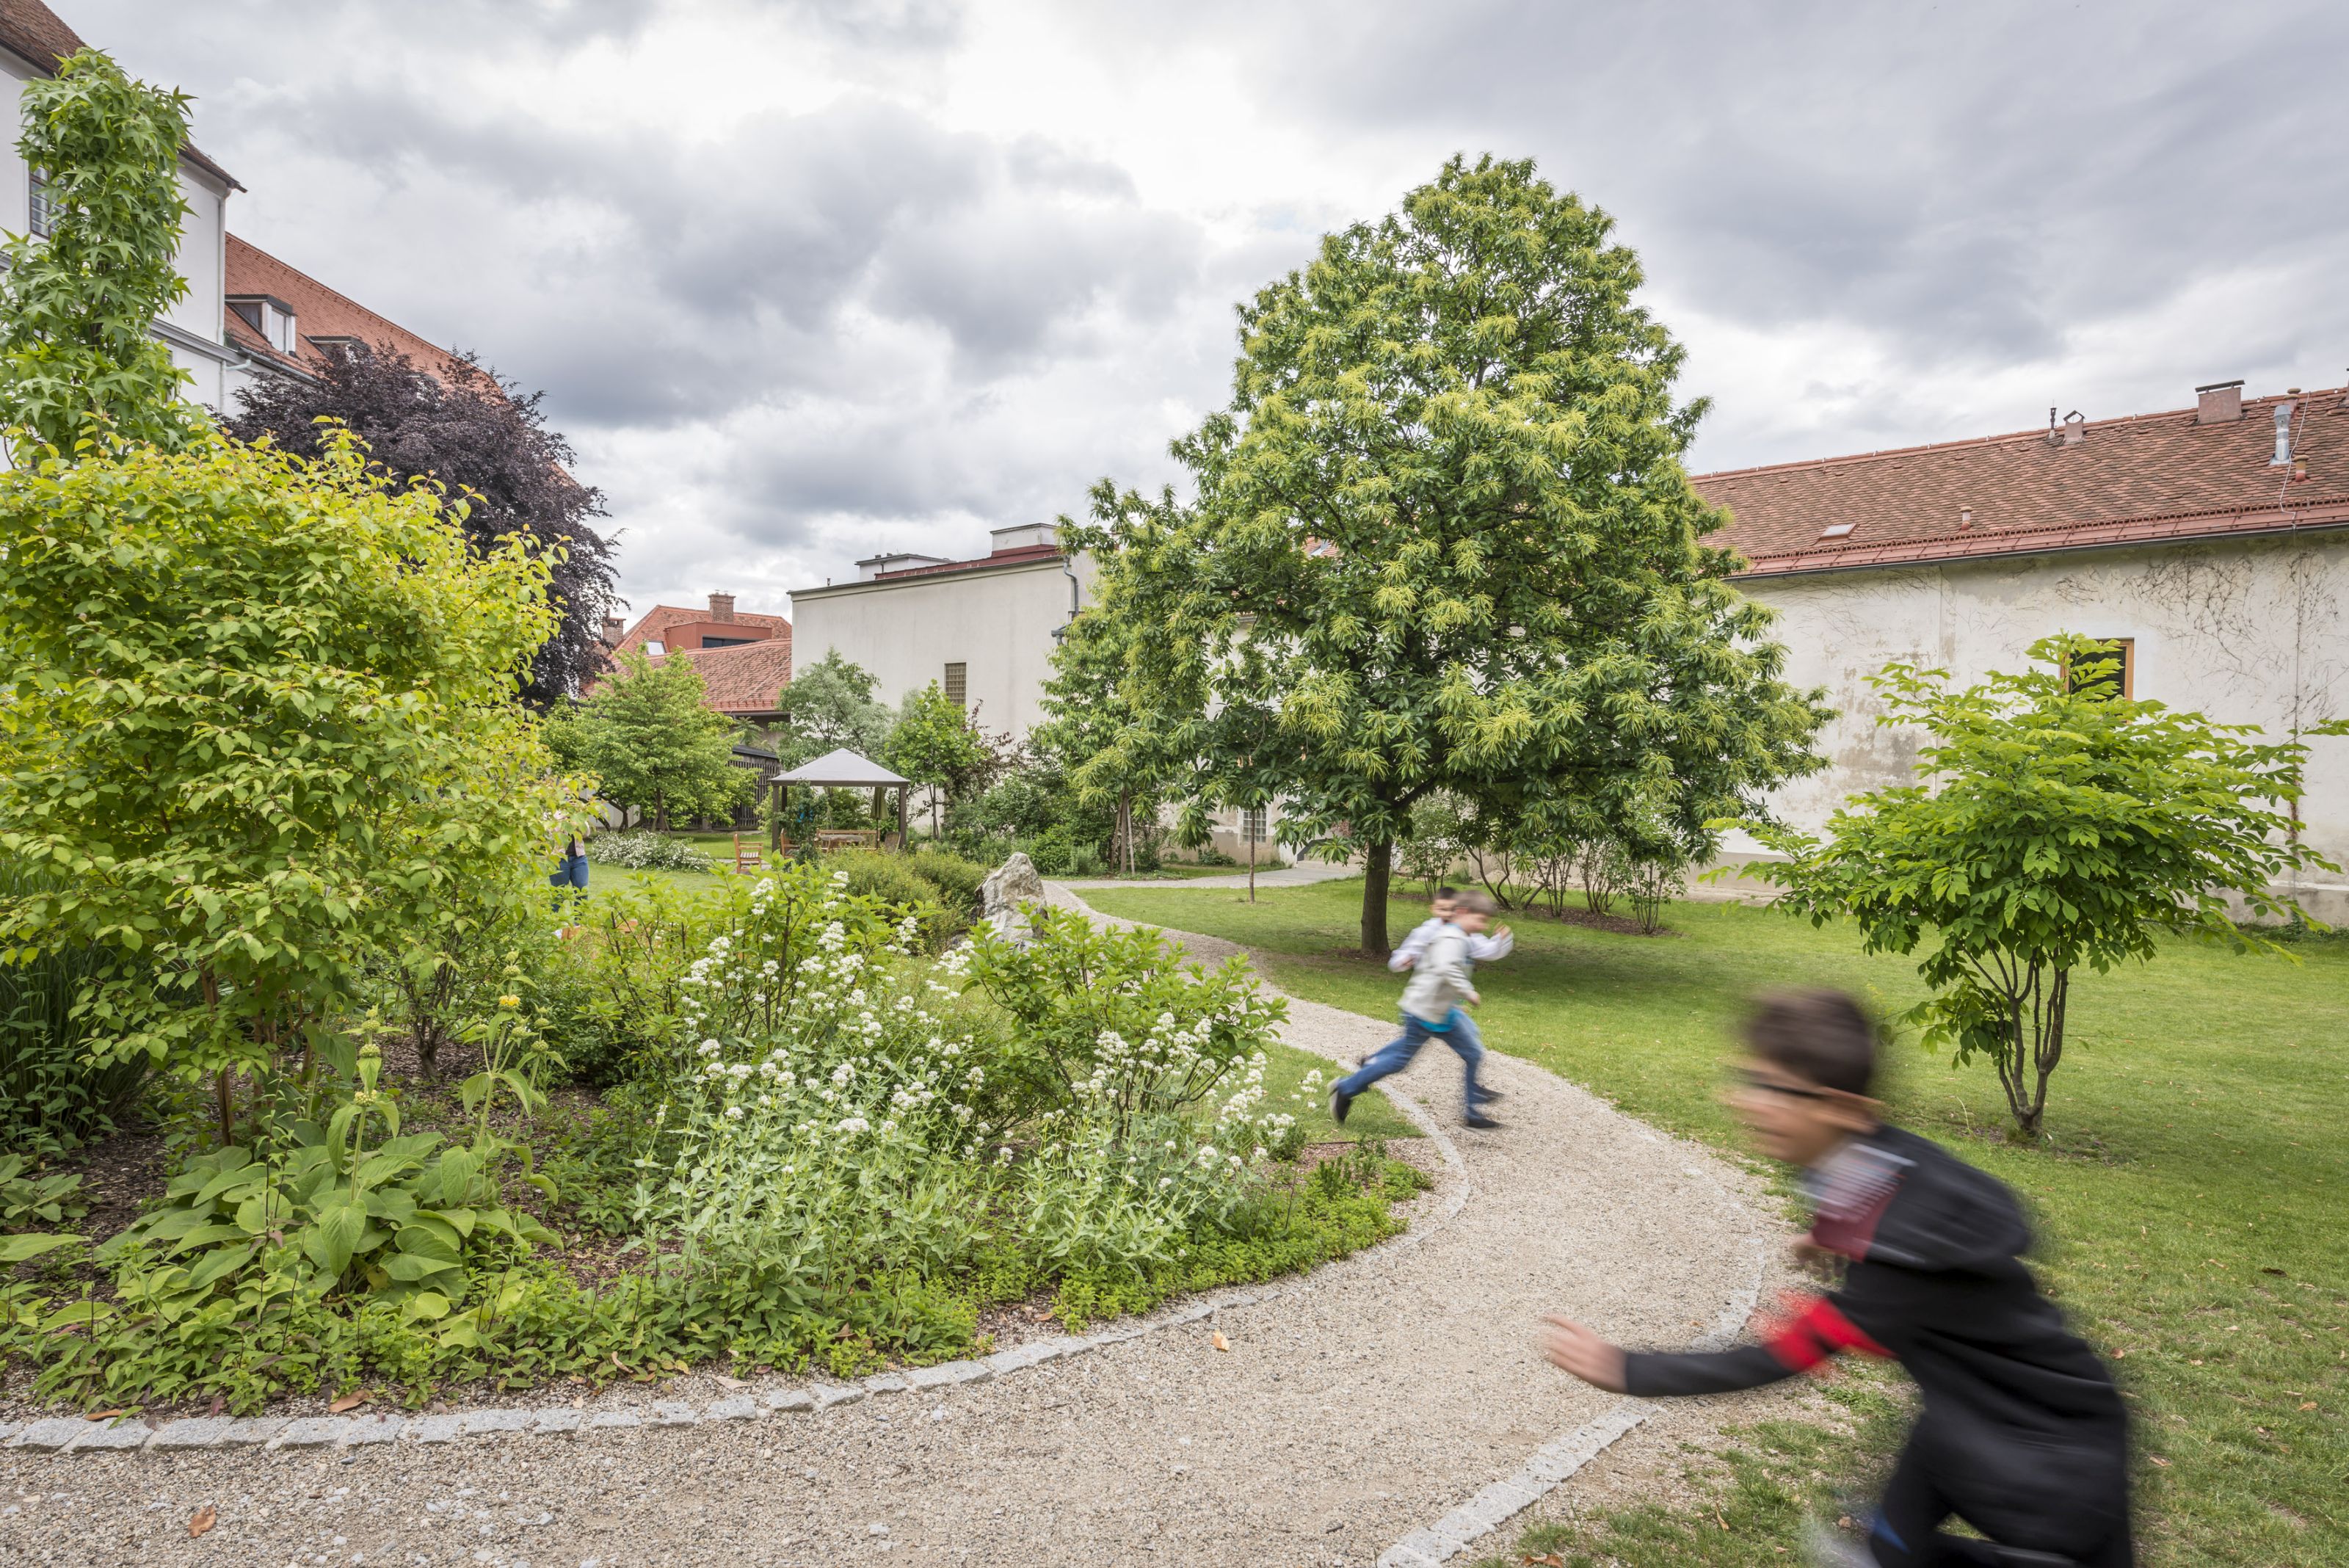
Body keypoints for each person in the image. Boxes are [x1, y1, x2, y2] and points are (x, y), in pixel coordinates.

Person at [1538, 991, 2132, 1567]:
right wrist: (1826, 1235)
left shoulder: (1899, 1273)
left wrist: (1627, 1369)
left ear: (1847, 1110)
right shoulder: (1885, 1159)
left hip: (2044, 1475)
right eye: (1748, 1079)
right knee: (1882, 1545)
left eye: (1773, 1089)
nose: (1744, 1100)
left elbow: (1777, 1358)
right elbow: (1877, 1184)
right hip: (1988, 1421)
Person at [1331, 889, 1506, 1129]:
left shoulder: (1461, 937)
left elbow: (1447, 973)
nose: (1482, 926)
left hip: (1442, 1013)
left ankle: (1472, 1112)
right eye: (1480, 919)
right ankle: (1345, 1088)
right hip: (1422, 1013)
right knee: (1399, 1061)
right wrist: (1468, 992)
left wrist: (1456, 1002)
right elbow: (1447, 968)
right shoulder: (1452, 938)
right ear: (1463, 912)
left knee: (1473, 1052)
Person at [1384, 886, 1514, 1097]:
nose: (1446, 914)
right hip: (1428, 1001)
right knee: (1407, 1048)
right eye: (1441, 910)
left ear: (1457, 910)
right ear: (1433, 909)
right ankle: (1369, 1067)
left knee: (1470, 1039)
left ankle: (1472, 1090)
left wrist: (1501, 940)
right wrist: (1403, 962)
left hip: (1446, 1002)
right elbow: (1405, 955)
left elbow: (1487, 950)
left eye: (1449, 910)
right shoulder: (1427, 931)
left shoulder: (1463, 932)